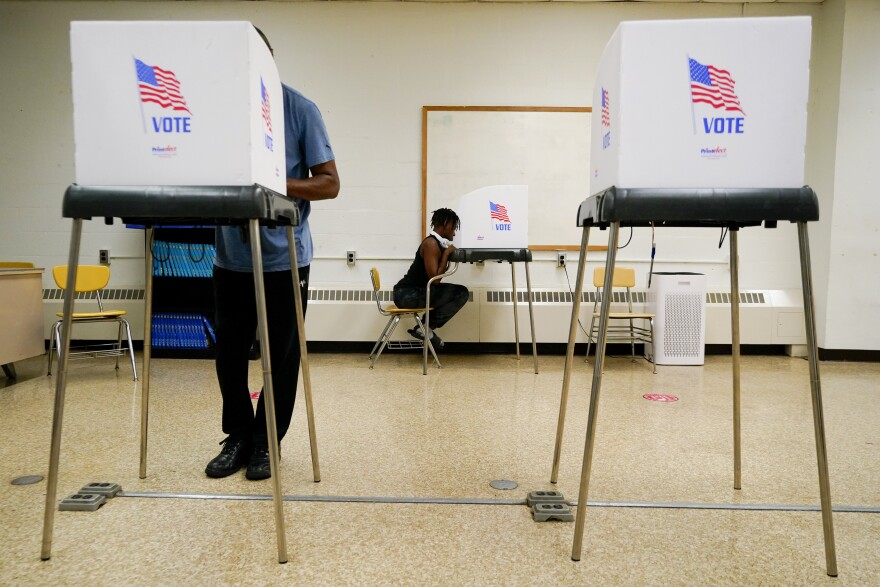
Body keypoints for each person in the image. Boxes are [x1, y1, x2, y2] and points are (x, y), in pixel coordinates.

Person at [205, 28, 339, 481]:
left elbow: (329, 183)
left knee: (280, 356)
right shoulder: (218, 113)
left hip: (285, 259)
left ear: (268, 59)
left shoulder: (299, 109)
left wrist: (272, 182)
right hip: (230, 258)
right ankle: (239, 435)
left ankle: (267, 441)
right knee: (228, 353)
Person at [393, 208, 469, 350]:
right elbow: (435, 280)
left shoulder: (436, 243)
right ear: (445, 224)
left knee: (460, 292)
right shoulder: (431, 244)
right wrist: (446, 254)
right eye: (454, 227)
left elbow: (435, 277)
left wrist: (445, 253)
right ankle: (425, 327)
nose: (455, 231)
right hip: (407, 294)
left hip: (415, 291)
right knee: (461, 293)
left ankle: (425, 327)